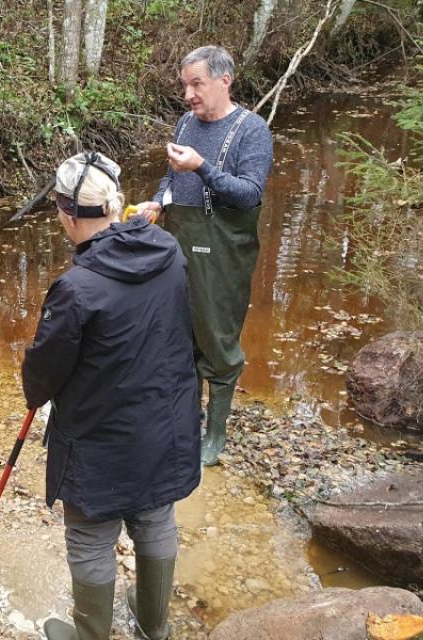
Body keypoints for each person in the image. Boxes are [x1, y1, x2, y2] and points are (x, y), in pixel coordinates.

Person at [24, 154, 200, 640]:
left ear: (66, 212)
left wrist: (32, 384)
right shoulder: (168, 249)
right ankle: (153, 628)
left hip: (100, 441)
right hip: (166, 423)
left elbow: (42, 379)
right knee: (155, 514)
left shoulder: (77, 288)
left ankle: (91, 635)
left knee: (90, 536)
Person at [135, 45, 273, 466]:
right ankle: (186, 421)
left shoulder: (252, 130)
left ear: (223, 80)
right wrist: (157, 202)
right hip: (180, 241)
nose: (189, 95)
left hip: (225, 250)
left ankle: (216, 435)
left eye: (197, 84)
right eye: (185, 86)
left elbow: (250, 194)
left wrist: (201, 168)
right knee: (181, 334)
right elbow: (168, 178)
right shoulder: (185, 124)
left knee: (217, 339)